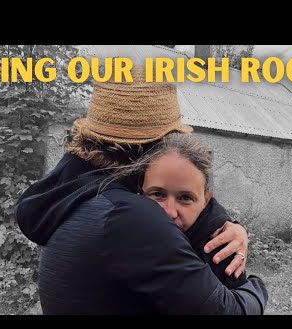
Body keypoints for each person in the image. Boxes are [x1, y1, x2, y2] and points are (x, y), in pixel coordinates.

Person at [14, 65, 268, 314]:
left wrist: (224, 223)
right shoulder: (128, 215)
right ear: (159, 143)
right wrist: (257, 286)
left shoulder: (74, 197)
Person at [113, 131, 247, 289]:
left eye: (185, 198)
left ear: (206, 201)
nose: (170, 212)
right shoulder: (118, 231)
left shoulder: (221, 255)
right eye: (158, 194)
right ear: (140, 192)